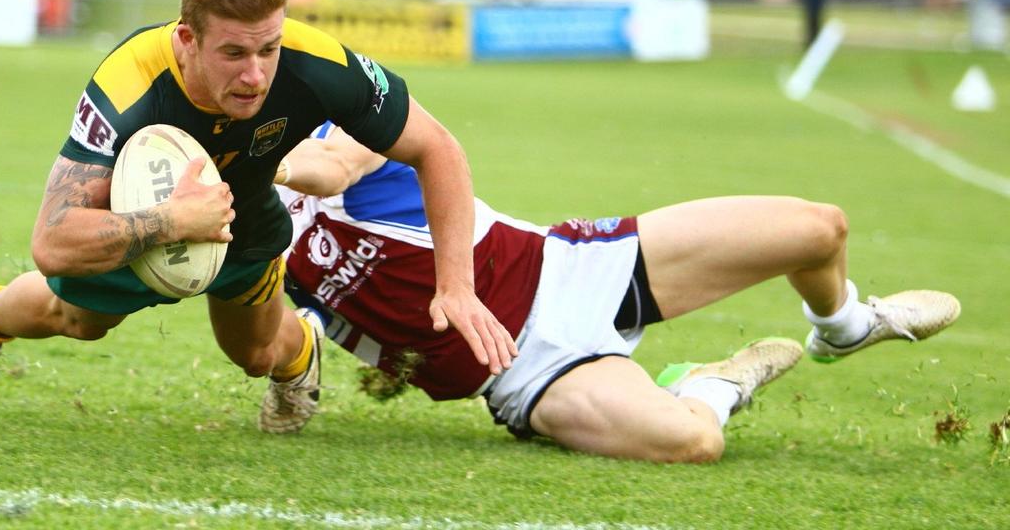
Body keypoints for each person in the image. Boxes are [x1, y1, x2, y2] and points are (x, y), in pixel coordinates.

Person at [0, 0, 517, 434]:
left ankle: (300, 356)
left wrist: (457, 286)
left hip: (246, 219)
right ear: (188, 38)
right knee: (79, 321)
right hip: (137, 213)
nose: (256, 73)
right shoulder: (128, 83)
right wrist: (170, 221)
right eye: (234, 52)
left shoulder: (315, 62)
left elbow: (436, 148)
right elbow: (53, 240)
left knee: (255, 354)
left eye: (269, 48)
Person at [271, 124, 961, 461]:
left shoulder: (338, 123)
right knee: (693, 442)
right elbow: (272, 336)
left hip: (573, 266)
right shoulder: (251, 244)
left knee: (818, 229)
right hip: (523, 372)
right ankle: (710, 383)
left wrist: (254, 160)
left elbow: (331, 170)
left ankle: (843, 325)